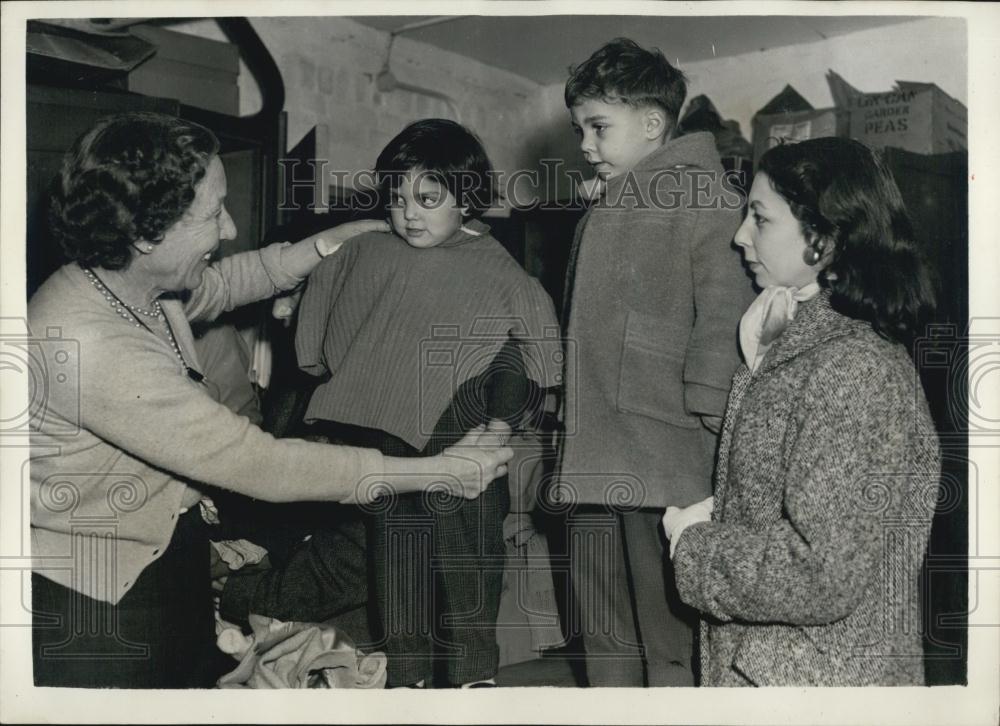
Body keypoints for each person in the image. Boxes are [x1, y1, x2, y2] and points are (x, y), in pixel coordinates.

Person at [28, 112, 512, 689]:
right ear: (147, 233)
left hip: (164, 549)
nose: (230, 227)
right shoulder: (87, 341)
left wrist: (333, 240)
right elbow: (263, 464)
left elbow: (231, 282)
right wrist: (440, 471)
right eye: (212, 214)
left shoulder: (136, 281)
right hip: (100, 596)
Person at [286, 118, 562, 688]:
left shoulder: (496, 263)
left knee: (469, 562)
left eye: (428, 199)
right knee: (397, 561)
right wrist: (324, 366)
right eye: (397, 198)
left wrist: (506, 418)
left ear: (466, 199)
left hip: (464, 435)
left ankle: (472, 678)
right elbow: (317, 327)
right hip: (387, 434)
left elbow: (542, 348)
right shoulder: (366, 250)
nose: (409, 213)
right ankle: (407, 678)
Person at [663, 137, 940, 686]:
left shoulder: (854, 369)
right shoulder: (794, 338)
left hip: (818, 683)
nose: (739, 235)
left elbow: (822, 573)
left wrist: (694, 546)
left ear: (823, 237)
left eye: (760, 219)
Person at [554, 38, 754, 686]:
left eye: (598, 127)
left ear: (651, 123)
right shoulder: (606, 203)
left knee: (668, 628)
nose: (585, 144)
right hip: (593, 452)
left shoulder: (705, 193)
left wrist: (707, 416)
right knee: (603, 627)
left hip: (664, 449)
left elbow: (726, 313)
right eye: (580, 128)